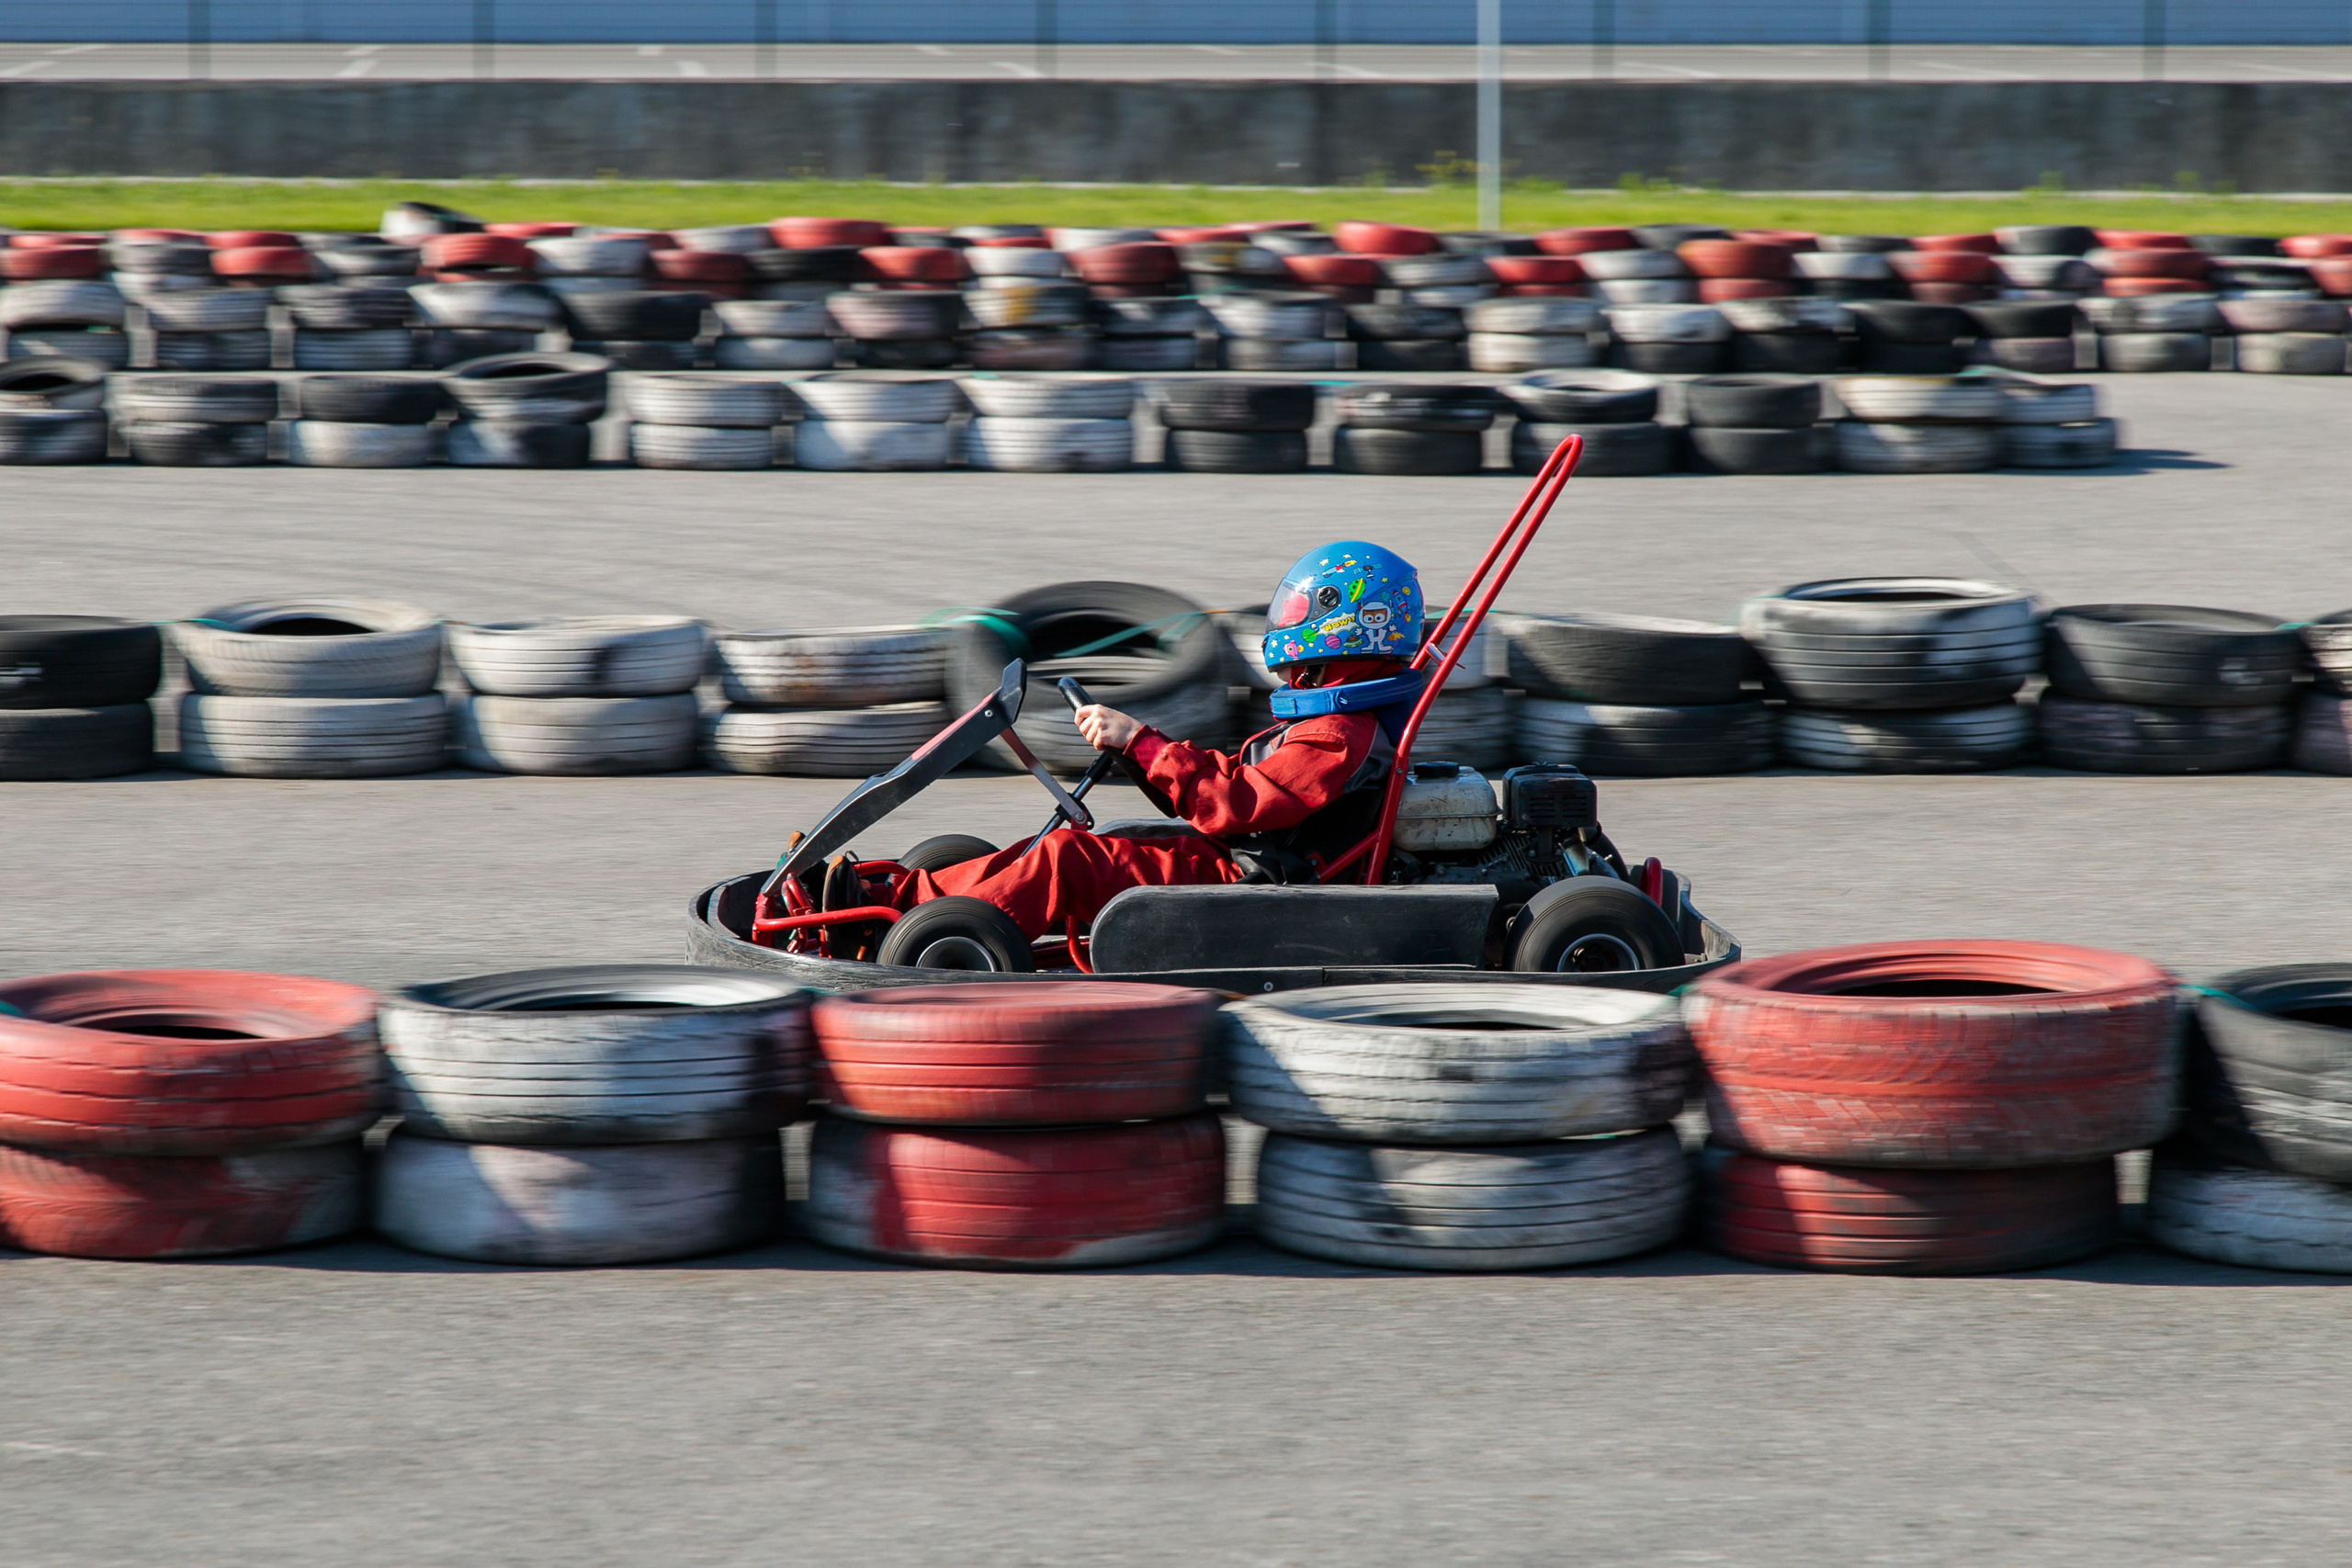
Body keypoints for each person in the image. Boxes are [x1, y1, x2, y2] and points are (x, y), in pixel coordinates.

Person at [884, 541, 1429, 940]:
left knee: (1066, 858)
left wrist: (1143, 742)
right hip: (1243, 858)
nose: (1287, 622)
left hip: (1256, 883)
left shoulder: (1338, 735)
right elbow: (1235, 778)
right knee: (1092, 842)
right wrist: (1138, 749)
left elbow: (1237, 802)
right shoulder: (1333, 723)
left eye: (1300, 612)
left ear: (1349, 623)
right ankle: (901, 895)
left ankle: (920, 927)